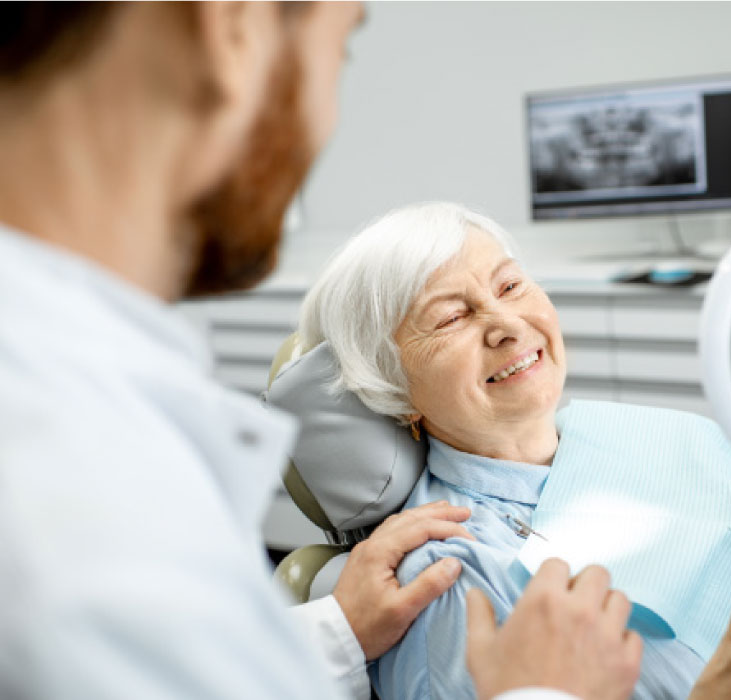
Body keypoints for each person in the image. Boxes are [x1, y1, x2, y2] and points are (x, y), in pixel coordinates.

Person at [0, 4, 641, 700]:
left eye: (510, 285)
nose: (506, 324)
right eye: (342, 49)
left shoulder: (75, 411)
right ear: (231, 26)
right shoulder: (65, 479)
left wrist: (336, 633)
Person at [297, 201, 731, 700]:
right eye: (450, 317)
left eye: (508, 286)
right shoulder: (446, 580)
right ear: (393, 389)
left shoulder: (668, 434)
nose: (505, 325)